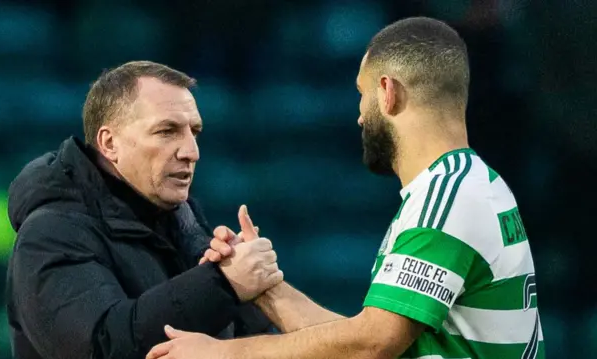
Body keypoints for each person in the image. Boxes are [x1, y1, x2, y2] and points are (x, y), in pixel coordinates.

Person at [146, 17, 545, 359]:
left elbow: (371, 346)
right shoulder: (466, 184)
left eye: (361, 94)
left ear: (388, 92)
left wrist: (223, 353)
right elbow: (365, 341)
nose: (357, 116)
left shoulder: (447, 200)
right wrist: (264, 286)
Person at [5, 61, 283, 359]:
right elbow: (101, 346)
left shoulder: (182, 219)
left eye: (195, 132)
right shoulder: (51, 233)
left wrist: (250, 294)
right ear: (109, 143)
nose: (191, 152)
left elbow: (236, 343)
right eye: (167, 131)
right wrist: (224, 284)